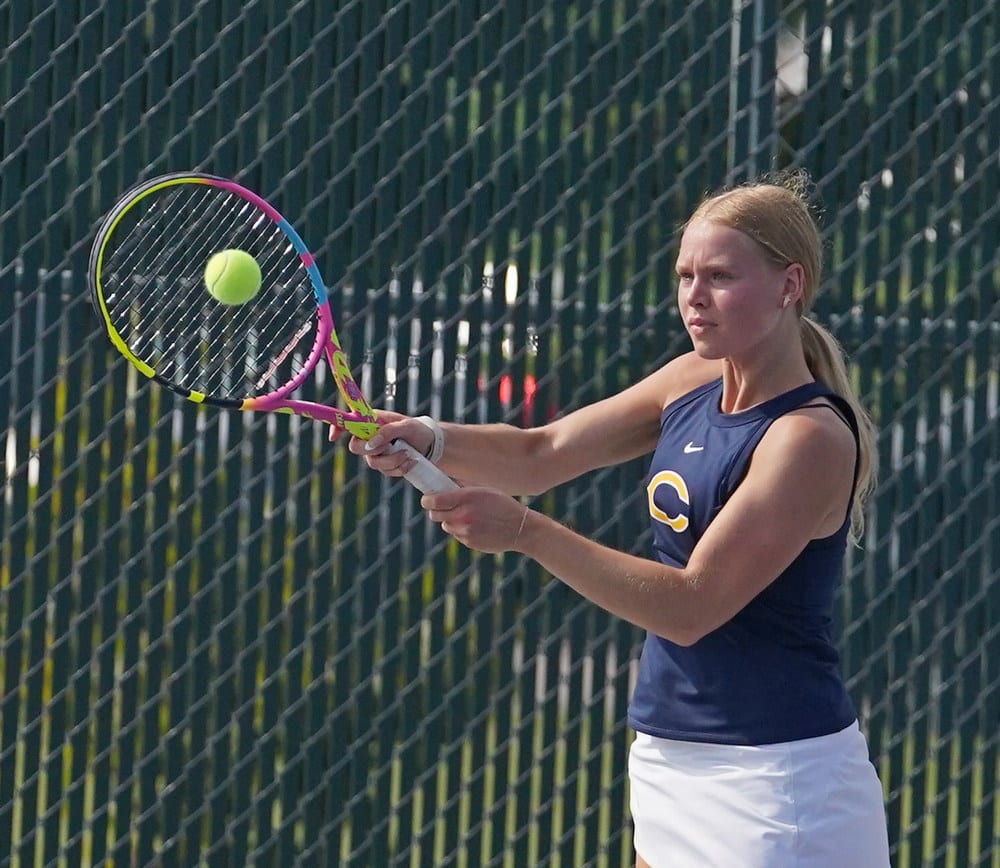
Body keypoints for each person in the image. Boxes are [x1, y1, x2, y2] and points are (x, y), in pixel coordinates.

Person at [335, 170, 891, 867]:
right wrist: (429, 437)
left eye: (720, 275)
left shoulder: (806, 438)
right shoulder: (690, 378)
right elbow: (541, 453)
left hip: (778, 780)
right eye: (685, 274)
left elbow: (694, 605)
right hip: (667, 755)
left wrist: (524, 533)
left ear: (789, 284)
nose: (694, 295)